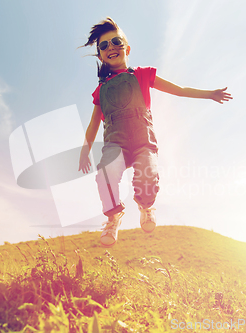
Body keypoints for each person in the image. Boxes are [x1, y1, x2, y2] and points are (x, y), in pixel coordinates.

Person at [79, 17, 232, 247]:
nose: (110, 47)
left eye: (116, 41)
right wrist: (84, 151)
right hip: (115, 144)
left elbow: (179, 90)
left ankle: (145, 206)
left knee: (148, 174)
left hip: (142, 141)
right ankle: (113, 219)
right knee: (105, 176)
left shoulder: (142, 74)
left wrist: (209, 94)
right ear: (100, 55)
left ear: (127, 48)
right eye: (104, 45)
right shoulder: (100, 91)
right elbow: (93, 125)